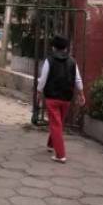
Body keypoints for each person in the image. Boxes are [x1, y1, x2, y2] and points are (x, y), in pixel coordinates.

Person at [36, 35, 85, 164]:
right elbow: (78, 79)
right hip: (66, 98)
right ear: (66, 48)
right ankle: (51, 144)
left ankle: (60, 155)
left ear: (53, 47)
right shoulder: (72, 61)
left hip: (52, 98)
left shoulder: (49, 60)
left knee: (56, 124)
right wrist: (81, 94)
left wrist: (38, 92)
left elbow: (43, 79)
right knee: (58, 123)